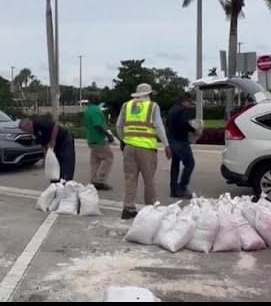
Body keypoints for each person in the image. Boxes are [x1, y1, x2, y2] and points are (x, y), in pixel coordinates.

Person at [116, 83, 171, 220]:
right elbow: (158, 126)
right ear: (149, 94)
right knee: (149, 180)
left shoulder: (126, 105)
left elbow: (118, 126)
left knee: (130, 179)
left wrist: (124, 140)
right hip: (146, 149)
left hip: (129, 148)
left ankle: (128, 208)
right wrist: (166, 145)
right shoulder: (153, 106)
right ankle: (149, 209)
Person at [19, 116, 76, 181]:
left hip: (64, 139)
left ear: (28, 124)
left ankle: (66, 180)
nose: (26, 132)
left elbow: (55, 126)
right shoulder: (34, 132)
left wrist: (52, 140)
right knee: (54, 162)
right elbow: (43, 145)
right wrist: (46, 157)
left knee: (66, 161)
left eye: (25, 130)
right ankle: (56, 182)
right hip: (55, 145)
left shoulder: (39, 123)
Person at [166, 93, 197, 198]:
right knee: (190, 164)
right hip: (181, 141)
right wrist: (194, 130)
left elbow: (167, 125)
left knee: (175, 165)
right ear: (185, 101)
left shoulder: (172, 110)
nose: (190, 105)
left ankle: (173, 189)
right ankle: (182, 188)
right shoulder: (182, 111)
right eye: (189, 102)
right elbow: (184, 125)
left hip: (172, 140)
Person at [82, 93, 114, 190]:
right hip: (99, 139)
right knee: (109, 157)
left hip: (91, 139)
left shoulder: (87, 110)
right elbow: (97, 125)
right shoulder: (95, 110)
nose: (100, 99)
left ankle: (94, 180)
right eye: (98, 98)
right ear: (94, 100)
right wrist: (108, 135)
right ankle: (100, 181)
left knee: (95, 161)